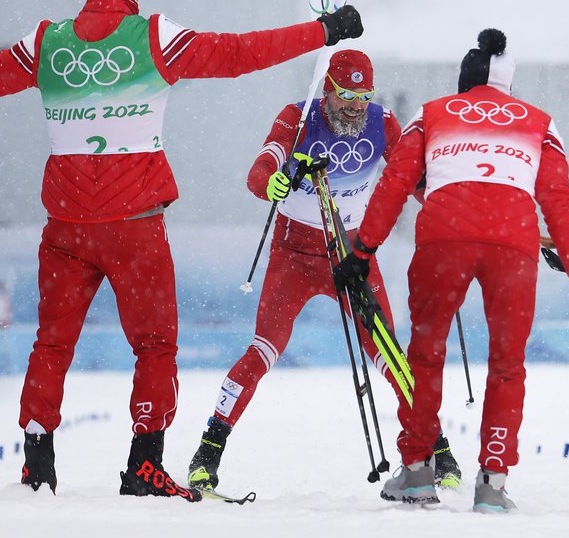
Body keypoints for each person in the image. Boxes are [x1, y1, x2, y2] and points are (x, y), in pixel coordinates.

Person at [0, 0, 363, 501]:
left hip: (66, 227)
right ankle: (145, 464)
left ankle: (37, 463)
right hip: (135, 228)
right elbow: (241, 54)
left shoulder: (48, 40)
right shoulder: (155, 36)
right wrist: (324, 32)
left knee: (52, 343)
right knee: (155, 345)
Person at [334, 29, 569, 512]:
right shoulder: (541, 122)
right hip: (513, 243)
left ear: (466, 79)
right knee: (507, 365)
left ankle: (417, 472)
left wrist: (361, 253)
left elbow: (396, 183)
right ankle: (493, 483)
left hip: (444, 237)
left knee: (426, 354)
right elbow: (558, 200)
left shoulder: (432, 113)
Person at [186, 49, 462, 492]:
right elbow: (261, 170)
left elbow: (415, 181)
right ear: (328, 90)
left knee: (391, 355)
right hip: (293, 254)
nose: (355, 105)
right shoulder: (297, 117)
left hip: (351, 255)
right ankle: (208, 451)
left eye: (363, 95)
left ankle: (439, 448)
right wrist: (271, 181)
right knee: (263, 350)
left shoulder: (383, 122)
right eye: (347, 94)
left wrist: (450, 209)